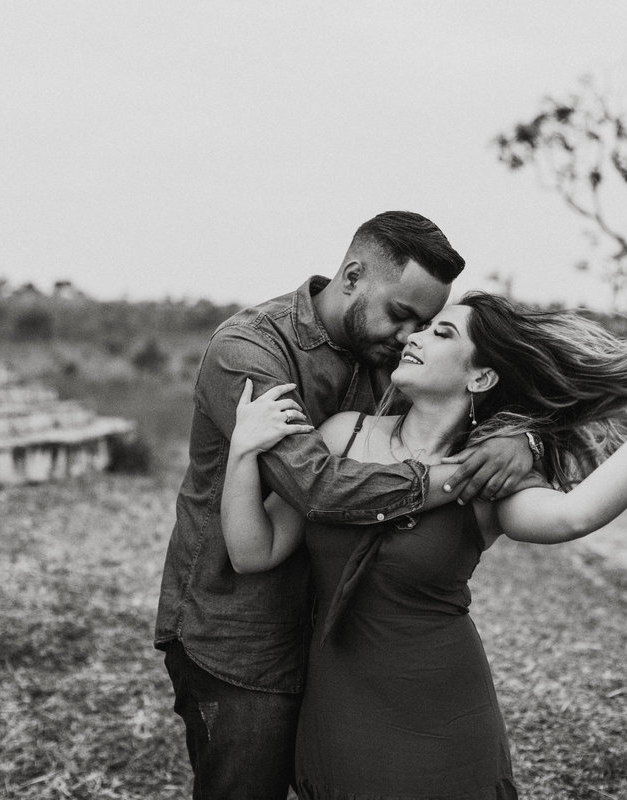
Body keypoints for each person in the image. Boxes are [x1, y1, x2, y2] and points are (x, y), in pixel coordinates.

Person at [221, 291, 627, 798]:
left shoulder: (487, 476)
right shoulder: (344, 435)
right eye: (423, 328)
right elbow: (253, 552)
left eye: (442, 333)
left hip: (444, 713)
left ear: (481, 378)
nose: (415, 337)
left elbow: (574, 515)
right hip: (340, 705)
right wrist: (242, 453)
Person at [155, 213, 538, 800]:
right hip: (241, 633)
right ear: (353, 277)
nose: (409, 335)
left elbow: (476, 395)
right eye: (401, 314)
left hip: (336, 643)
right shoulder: (249, 349)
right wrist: (459, 476)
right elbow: (317, 487)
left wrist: (521, 438)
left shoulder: (387, 356)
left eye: (425, 324)